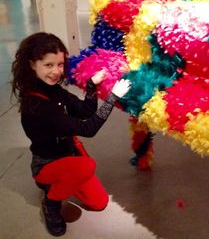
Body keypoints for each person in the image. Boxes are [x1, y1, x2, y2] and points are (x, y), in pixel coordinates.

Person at [11, 32, 131, 236]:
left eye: (59, 64)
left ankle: (65, 182)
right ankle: (51, 201)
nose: (56, 71)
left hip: (69, 159)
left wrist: (92, 87)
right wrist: (112, 98)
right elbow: (88, 129)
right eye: (48, 65)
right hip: (47, 166)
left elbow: (86, 111)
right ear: (32, 64)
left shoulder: (54, 91)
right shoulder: (37, 104)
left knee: (99, 202)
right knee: (87, 166)